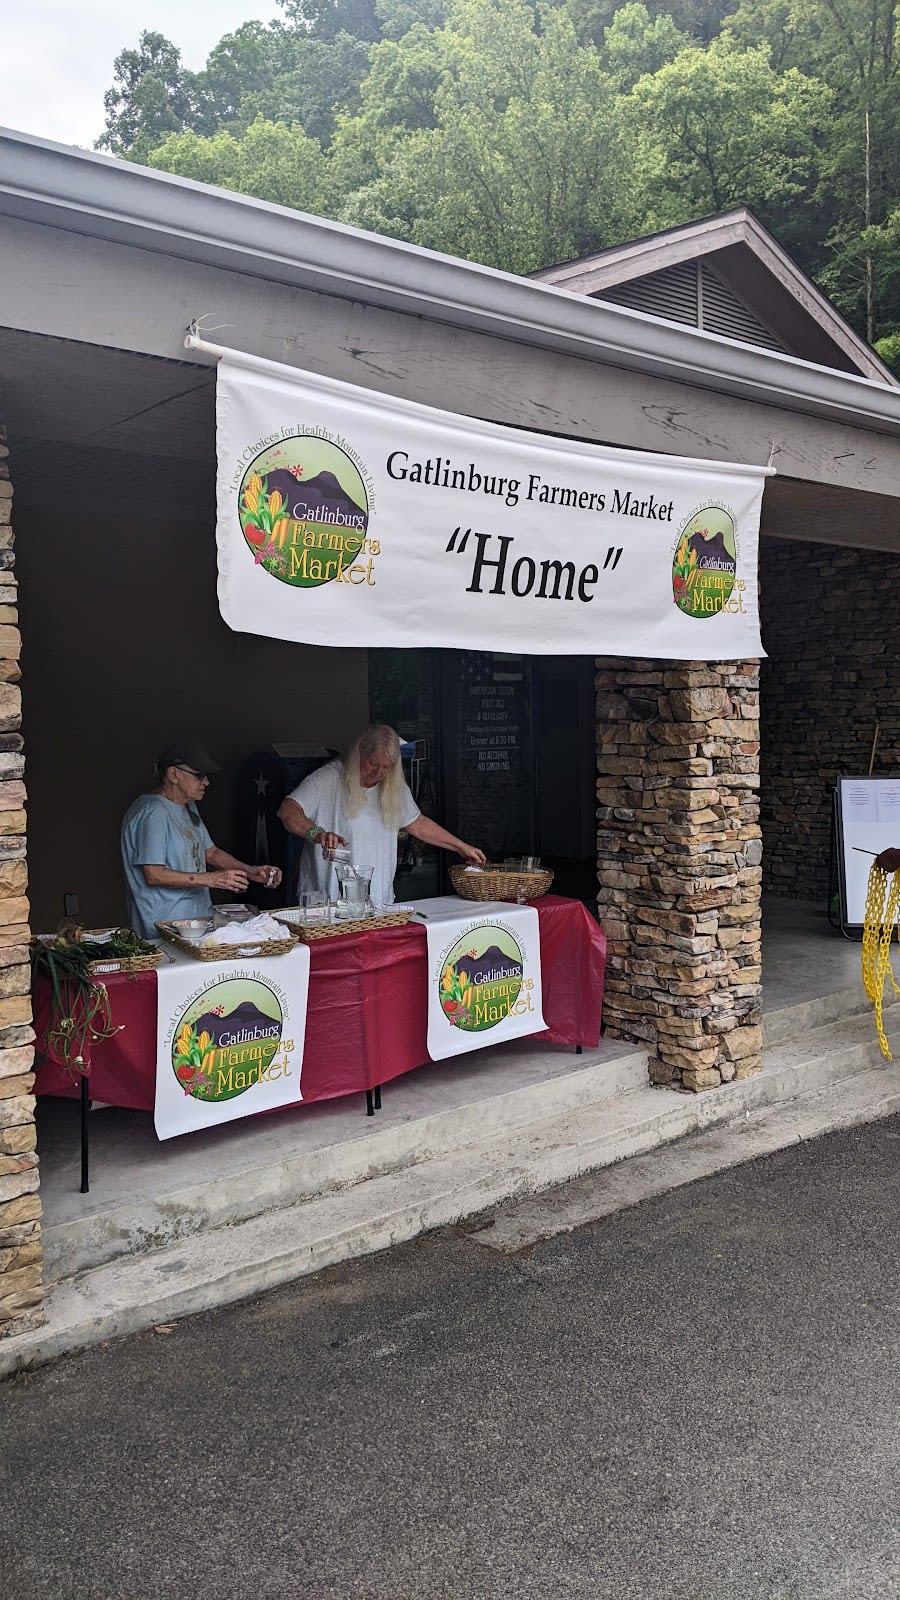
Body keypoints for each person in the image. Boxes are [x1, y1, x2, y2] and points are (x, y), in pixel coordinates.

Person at [277, 724, 486, 907]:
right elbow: (288, 810)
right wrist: (317, 834)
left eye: (386, 767)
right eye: (373, 764)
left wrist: (462, 847)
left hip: (379, 901)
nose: (378, 774)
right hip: (328, 903)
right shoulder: (328, 778)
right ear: (360, 754)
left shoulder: (393, 786)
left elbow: (418, 824)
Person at [121, 740, 282, 938]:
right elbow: (154, 874)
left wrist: (249, 871)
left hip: (194, 924)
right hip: (163, 928)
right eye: (199, 775)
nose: (206, 782)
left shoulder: (187, 805)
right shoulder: (153, 812)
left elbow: (210, 852)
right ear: (173, 774)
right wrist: (212, 879)